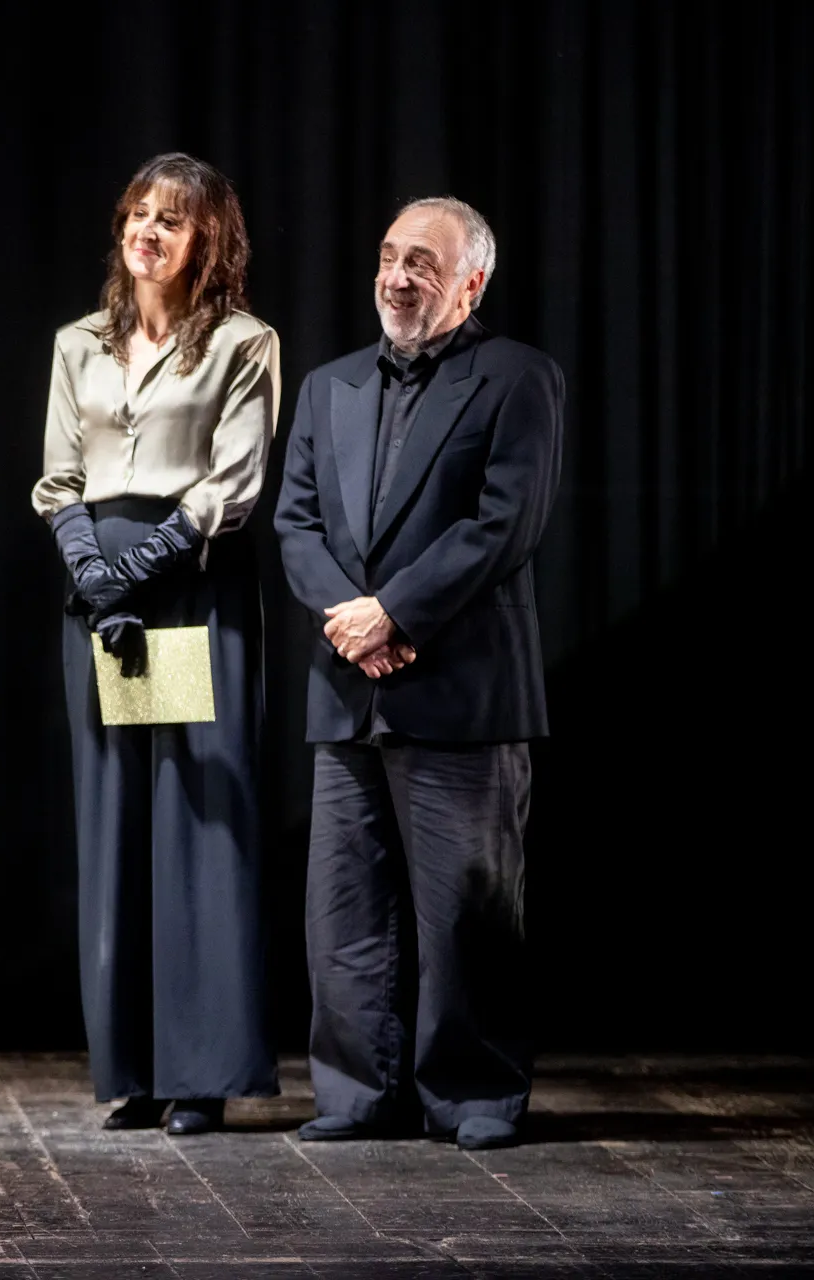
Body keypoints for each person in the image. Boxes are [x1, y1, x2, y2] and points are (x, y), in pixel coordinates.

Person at [272, 196, 563, 1151]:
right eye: (390, 257)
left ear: (471, 281)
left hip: (465, 688)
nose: (398, 277)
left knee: (465, 918)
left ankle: (473, 1096)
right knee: (344, 915)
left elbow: (504, 524)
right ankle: (358, 1094)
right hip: (350, 689)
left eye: (422, 264)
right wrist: (355, 629)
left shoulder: (519, 377)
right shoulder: (328, 386)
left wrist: (395, 614)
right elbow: (296, 524)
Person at [31, 153, 281, 1134]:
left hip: (189, 588)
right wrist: (95, 575)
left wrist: (141, 569)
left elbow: (236, 480)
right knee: (116, 823)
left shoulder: (242, 342)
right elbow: (58, 477)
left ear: (206, 237)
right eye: (136, 213)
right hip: (98, 592)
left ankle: (200, 1072)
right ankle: (133, 1067)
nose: (146, 232)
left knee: (195, 822)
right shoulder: (79, 343)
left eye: (169, 220)